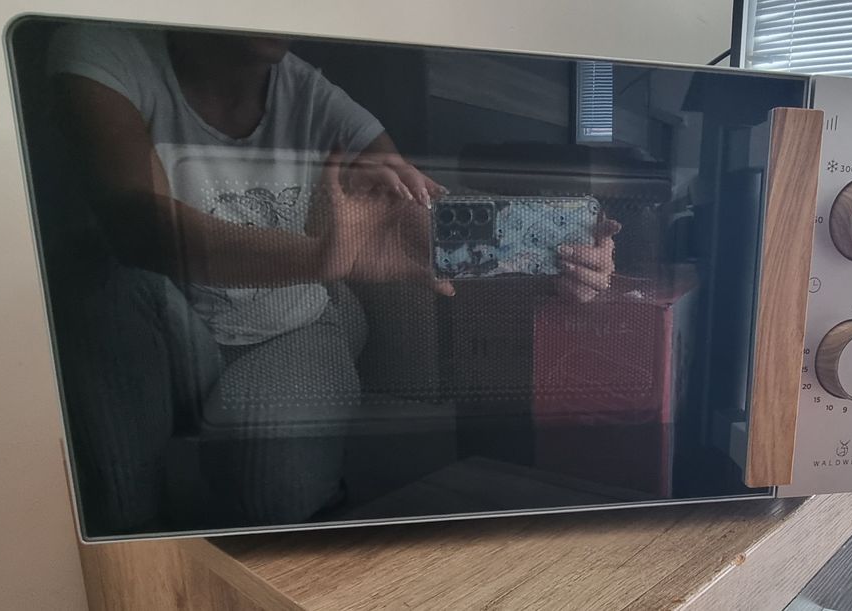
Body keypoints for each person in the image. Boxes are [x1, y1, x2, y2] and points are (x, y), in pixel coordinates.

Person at [48, 23, 618, 532]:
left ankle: (302, 501)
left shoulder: (312, 94)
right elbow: (136, 224)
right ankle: (125, 536)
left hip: (289, 326)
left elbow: (420, 211)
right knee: (104, 280)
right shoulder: (107, 48)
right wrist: (318, 258)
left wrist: (557, 260)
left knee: (271, 494)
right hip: (164, 326)